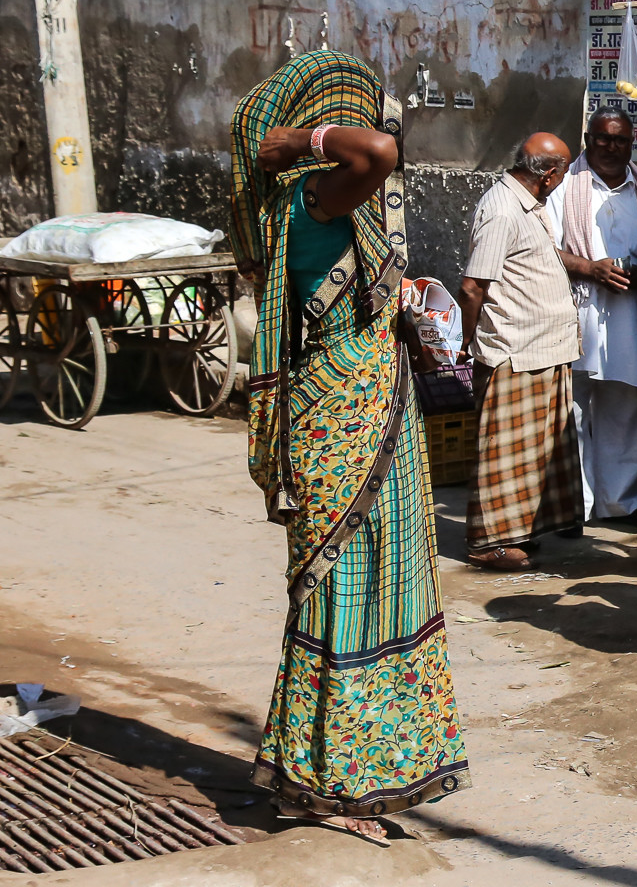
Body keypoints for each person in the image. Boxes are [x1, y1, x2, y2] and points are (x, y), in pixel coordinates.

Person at [228, 50, 469, 844]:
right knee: (345, 589)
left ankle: (352, 769)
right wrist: (305, 142)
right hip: (342, 408)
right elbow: (380, 153)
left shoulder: (320, 211)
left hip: (369, 397)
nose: (353, 134)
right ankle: (331, 780)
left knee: (378, 581)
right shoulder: (309, 202)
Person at [547, 108, 637, 525]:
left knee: (626, 410)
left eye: (620, 140)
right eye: (602, 139)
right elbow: (542, 249)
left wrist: (634, 276)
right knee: (571, 411)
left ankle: (621, 504)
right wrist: (592, 269)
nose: (610, 147)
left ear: (631, 144)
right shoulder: (562, 188)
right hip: (574, 312)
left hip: (627, 316)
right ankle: (576, 505)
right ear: (587, 139)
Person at [458, 134, 584, 571]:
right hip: (514, 349)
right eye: (563, 171)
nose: (562, 179)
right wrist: (466, 341)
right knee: (504, 455)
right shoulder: (502, 209)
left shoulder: (528, 206)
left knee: (533, 451)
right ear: (549, 175)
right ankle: (486, 541)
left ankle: (519, 530)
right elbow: (474, 285)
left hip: (541, 348)